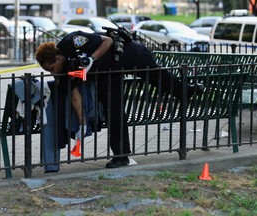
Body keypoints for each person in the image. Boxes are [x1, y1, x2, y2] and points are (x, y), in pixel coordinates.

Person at [35, 30, 202, 169]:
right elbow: (74, 97)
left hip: (128, 54)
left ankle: (187, 92)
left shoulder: (72, 41)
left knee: (160, 79)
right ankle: (121, 156)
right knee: (112, 109)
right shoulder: (63, 74)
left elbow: (107, 41)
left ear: (57, 58)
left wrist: (91, 59)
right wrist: (82, 123)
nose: (53, 73)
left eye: (52, 69)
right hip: (108, 72)